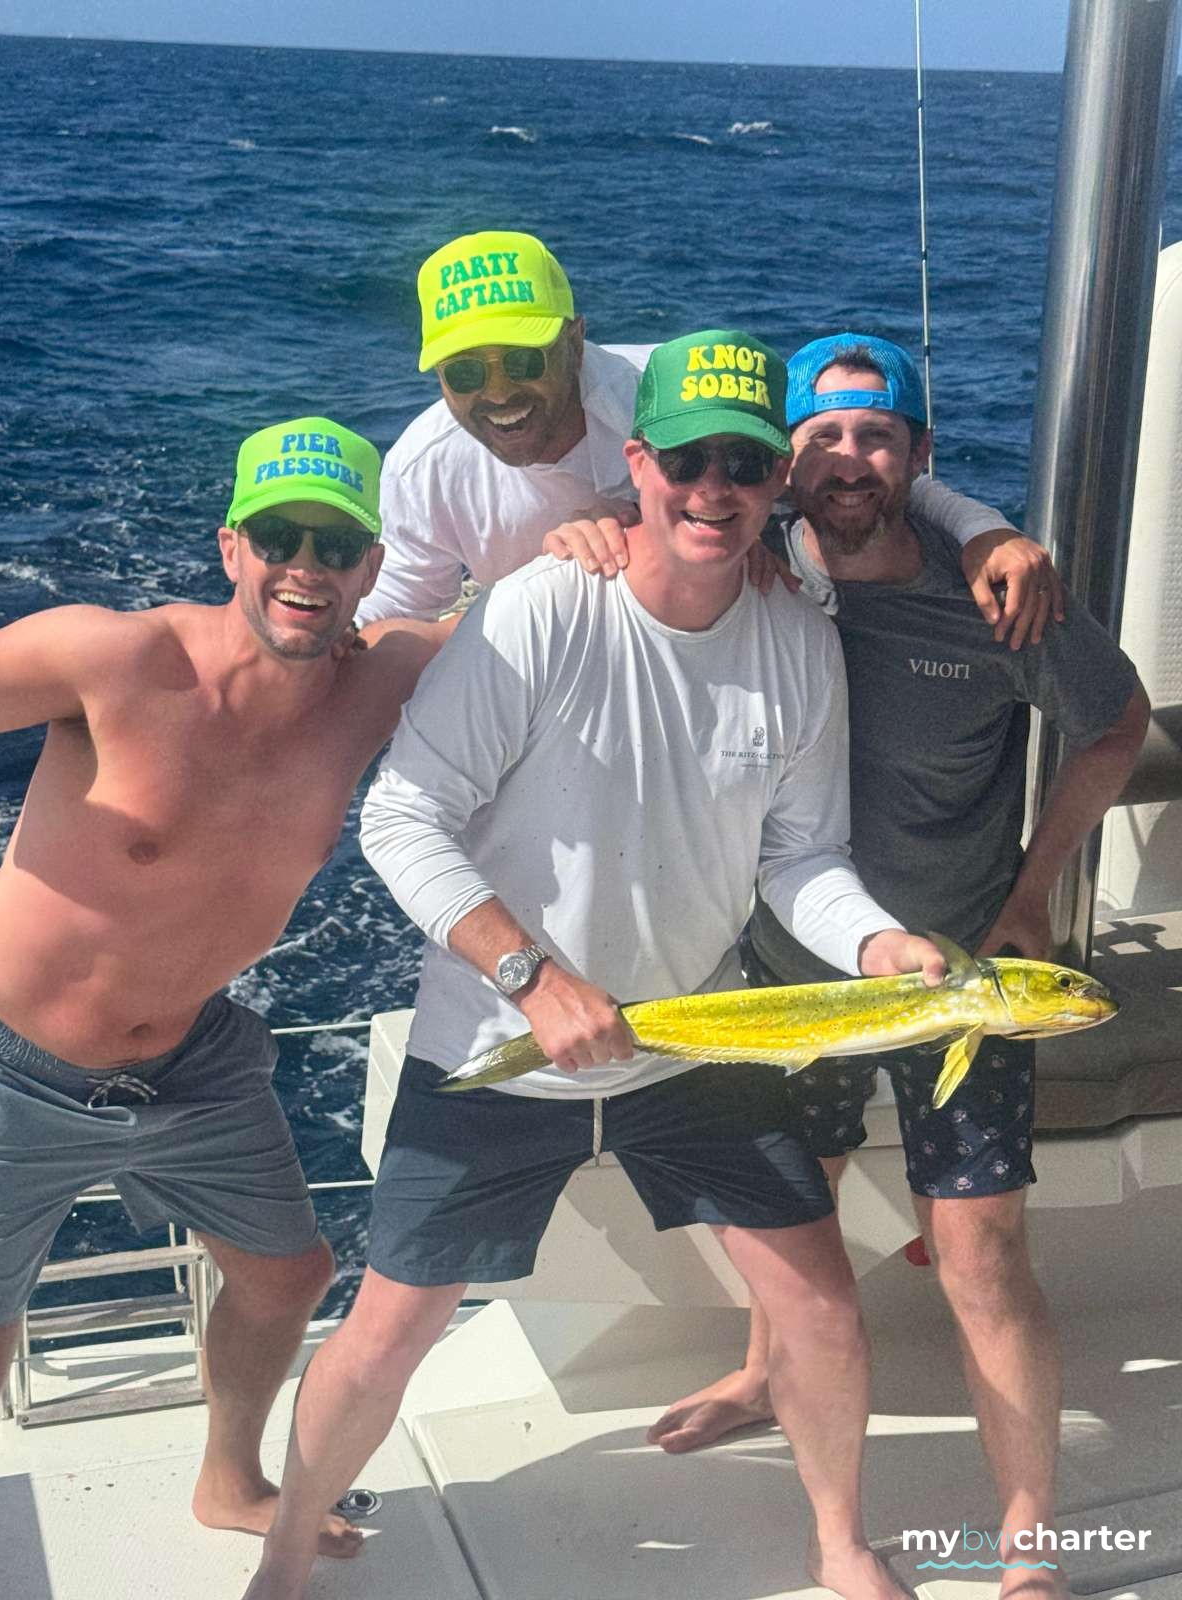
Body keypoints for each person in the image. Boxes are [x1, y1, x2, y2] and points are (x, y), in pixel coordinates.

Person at [242, 330, 948, 1600]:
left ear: (776, 483)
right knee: (389, 1329)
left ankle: (842, 1545)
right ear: (640, 464)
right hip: (499, 1047)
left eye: (746, 463)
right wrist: (534, 977)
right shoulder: (540, 607)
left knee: (821, 1306)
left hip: (692, 1041)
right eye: (690, 460)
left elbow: (803, 857)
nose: (715, 489)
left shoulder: (799, 643)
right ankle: (287, 1557)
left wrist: (878, 941)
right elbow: (400, 815)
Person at [644, 334, 1148, 1599]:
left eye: (876, 435)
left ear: (919, 455)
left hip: (964, 977)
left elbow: (1116, 724)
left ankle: (1027, 1545)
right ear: (785, 461)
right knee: (790, 1206)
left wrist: (1033, 893)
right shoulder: (749, 566)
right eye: (820, 436)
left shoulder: (997, 595)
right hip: (788, 973)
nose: (848, 458)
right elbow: (641, 502)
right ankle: (763, 1370)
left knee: (981, 1252)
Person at [0, 418, 448, 1555]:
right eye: (280, 536)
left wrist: (593, 534)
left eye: (336, 545)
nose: (306, 566)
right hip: (5, 1064)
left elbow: (546, 608)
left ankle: (229, 1482)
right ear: (231, 546)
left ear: (371, 567)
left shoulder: (380, 682)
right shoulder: (117, 658)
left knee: (289, 1278)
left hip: (190, 1062)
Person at [355, 227, 1063, 643]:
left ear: (575, 339)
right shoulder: (424, 466)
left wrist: (980, 528)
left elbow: (839, 468)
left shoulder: (672, 392)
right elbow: (391, 618)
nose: (498, 393)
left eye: (522, 361)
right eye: (464, 372)